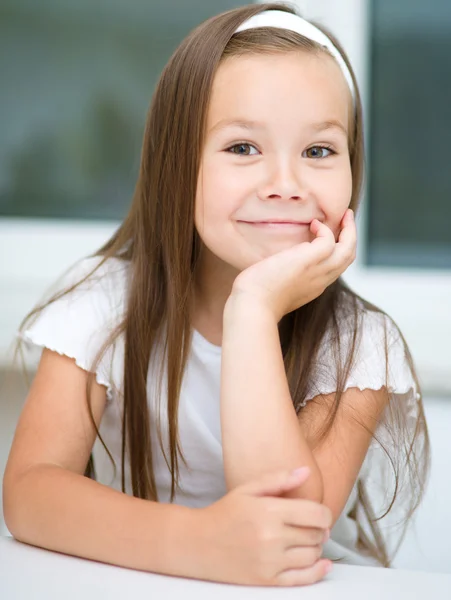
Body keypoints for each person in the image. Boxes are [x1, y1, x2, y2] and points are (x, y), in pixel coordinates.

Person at [3, 2, 429, 588]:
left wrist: (253, 309)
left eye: (319, 151)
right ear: (177, 166)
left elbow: (293, 525)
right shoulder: (105, 302)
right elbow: (28, 492)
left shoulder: (360, 341)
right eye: (243, 148)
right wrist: (198, 543)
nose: (286, 185)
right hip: (148, 577)